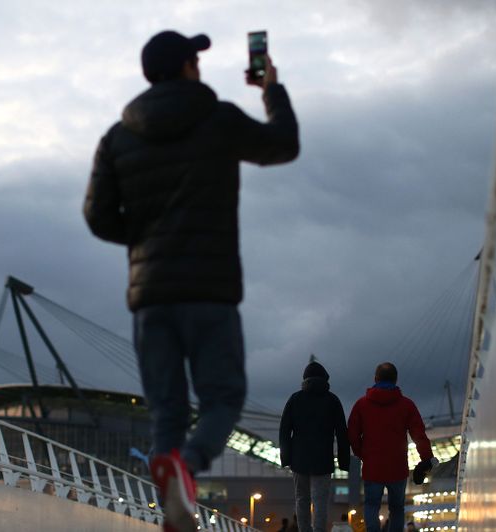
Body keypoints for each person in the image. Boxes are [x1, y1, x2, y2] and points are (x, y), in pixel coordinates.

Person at [83, 29, 299, 532]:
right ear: (185, 67)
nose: (199, 68)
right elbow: (284, 145)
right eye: (195, 60)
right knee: (223, 397)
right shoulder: (218, 119)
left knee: (166, 411)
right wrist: (271, 89)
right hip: (210, 290)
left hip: (150, 297)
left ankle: (174, 503)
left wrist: (144, 242)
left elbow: (97, 217)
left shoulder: (117, 137)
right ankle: (189, 465)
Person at [347, 362, 436, 532]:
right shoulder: (407, 405)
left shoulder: (362, 405)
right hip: (398, 467)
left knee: (371, 505)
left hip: (373, 467)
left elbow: (352, 433)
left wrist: (361, 453)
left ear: (375, 379)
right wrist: (426, 458)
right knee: (397, 508)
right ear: (396, 380)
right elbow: (419, 434)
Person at [279, 361, 350, 532]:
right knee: (320, 501)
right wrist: (344, 461)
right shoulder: (333, 400)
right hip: (323, 460)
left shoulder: (295, 399)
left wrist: (286, 458)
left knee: (302, 499)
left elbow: (284, 430)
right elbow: (342, 433)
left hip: (299, 459)